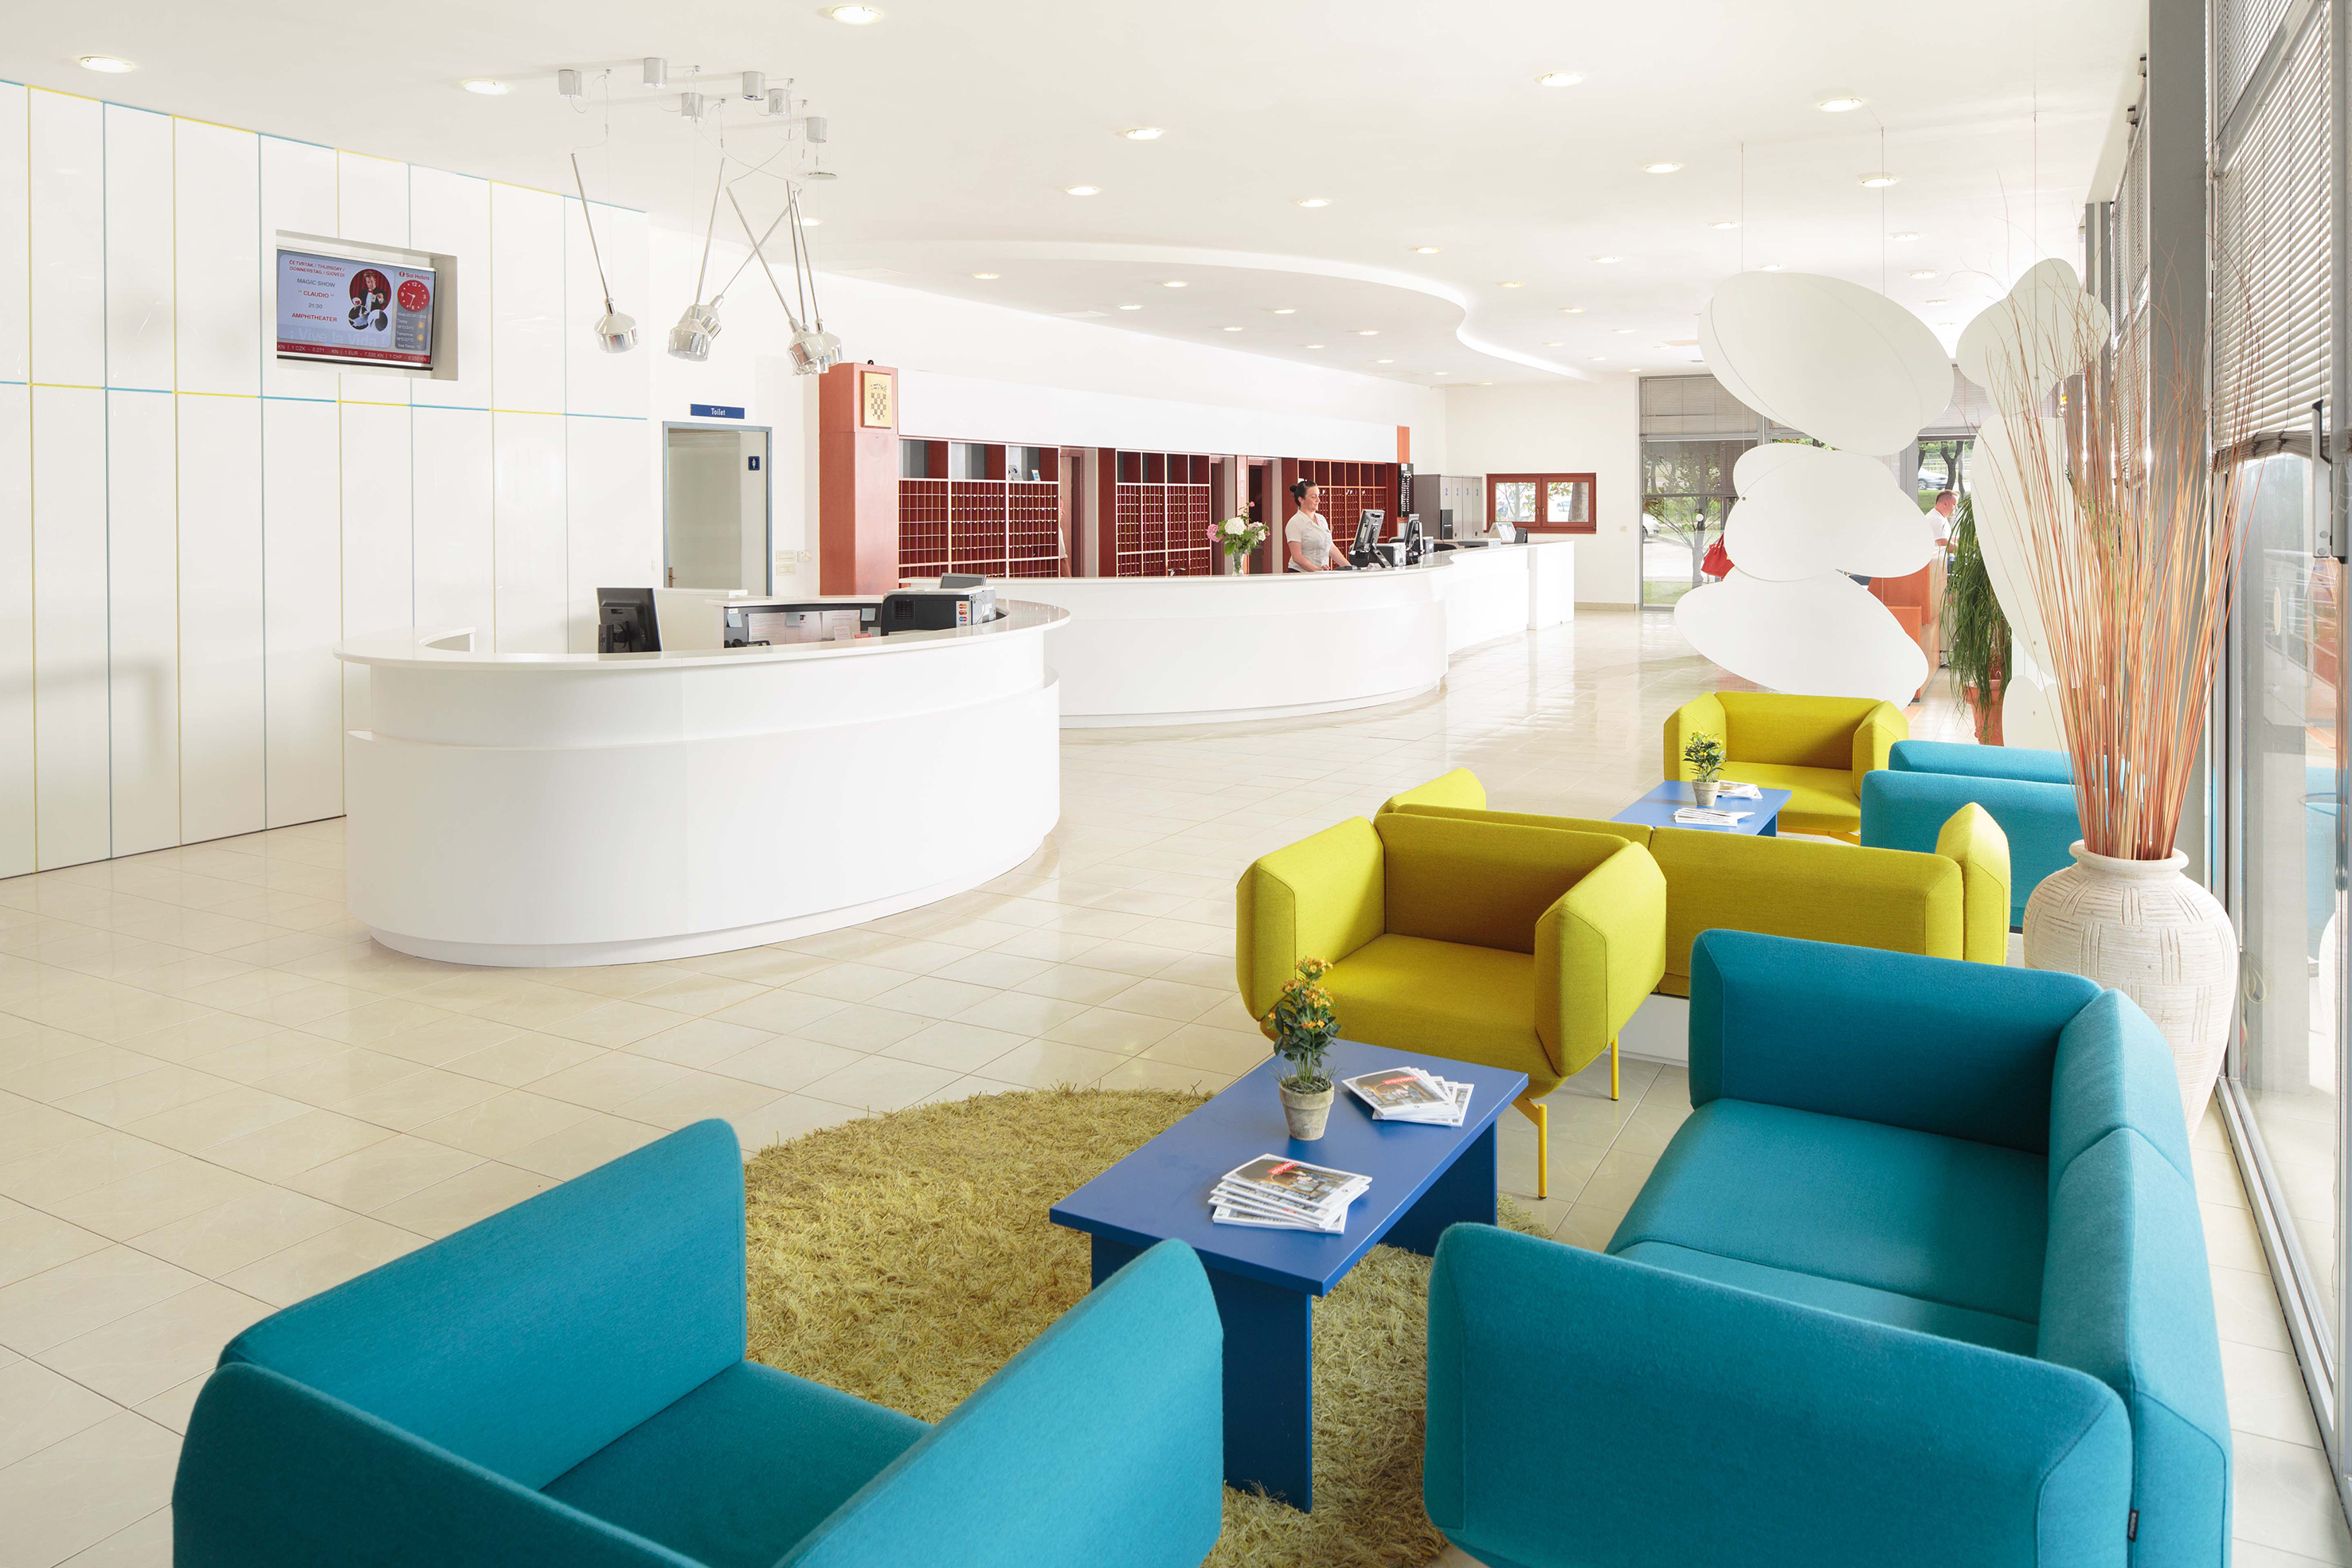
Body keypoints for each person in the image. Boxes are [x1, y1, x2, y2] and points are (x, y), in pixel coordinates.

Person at [1284, 479, 1352, 572]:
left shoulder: (1321, 519)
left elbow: (1331, 548)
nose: (1318, 500)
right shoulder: (1295, 523)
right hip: (1301, 574)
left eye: (1318, 496)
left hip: (1320, 574)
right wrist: (1317, 570)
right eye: (1313, 497)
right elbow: (1297, 556)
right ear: (1301, 500)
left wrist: (1350, 568)